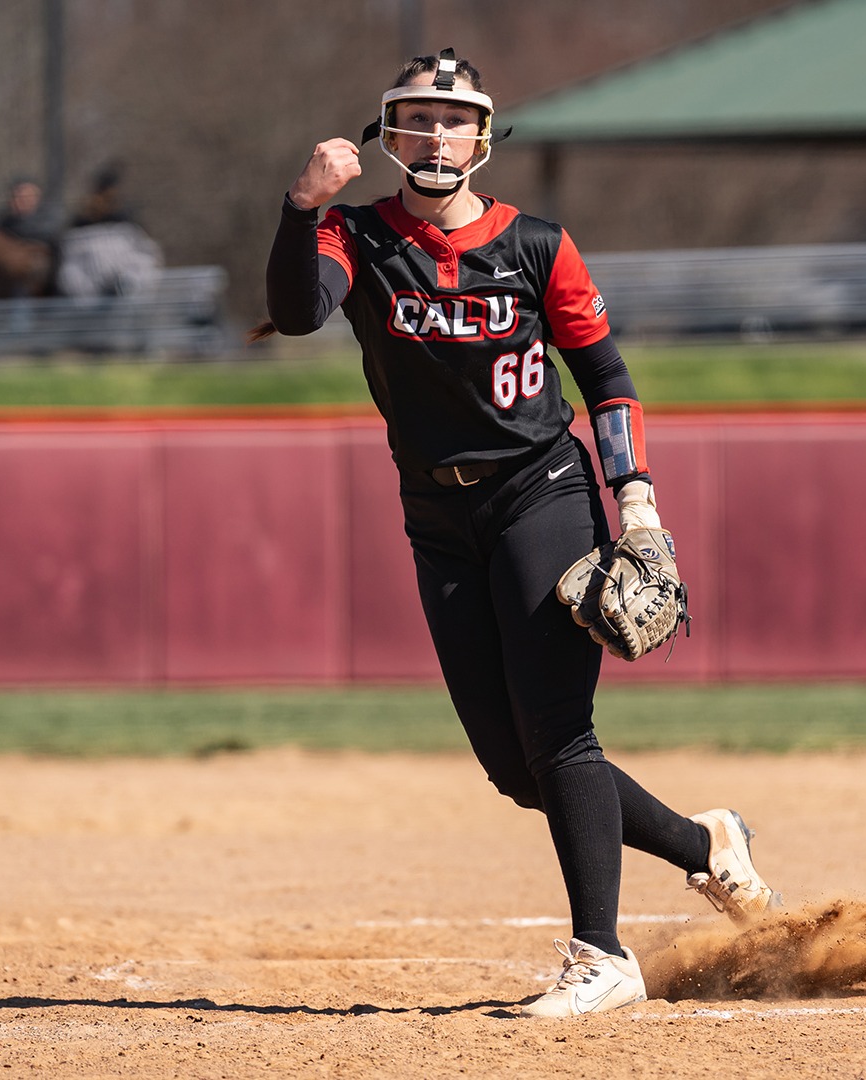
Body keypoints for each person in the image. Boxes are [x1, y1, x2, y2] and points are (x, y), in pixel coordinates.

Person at [252, 49, 777, 1018]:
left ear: (484, 137)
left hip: (541, 492)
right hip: (437, 516)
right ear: (389, 134)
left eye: (454, 119)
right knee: (513, 767)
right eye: (415, 118)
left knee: (558, 733)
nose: (435, 135)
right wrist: (299, 204)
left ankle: (603, 956)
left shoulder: (536, 244)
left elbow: (607, 383)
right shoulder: (356, 234)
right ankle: (709, 847)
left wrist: (641, 508)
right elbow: (294, 313)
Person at [57, 165, 162, 299]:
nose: (100, 203)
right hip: (90, 306)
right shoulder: (79, 228)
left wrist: (129, 283)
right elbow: (70, 274)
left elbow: (147, 259)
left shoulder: (127, 226)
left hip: (128, 303)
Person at [0, 177, 60, 302]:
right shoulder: (1, 225)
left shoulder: (49, 224)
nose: (21, 201)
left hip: (41, 297)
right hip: (5, 295)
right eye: (17, 196)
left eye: (27, 197)